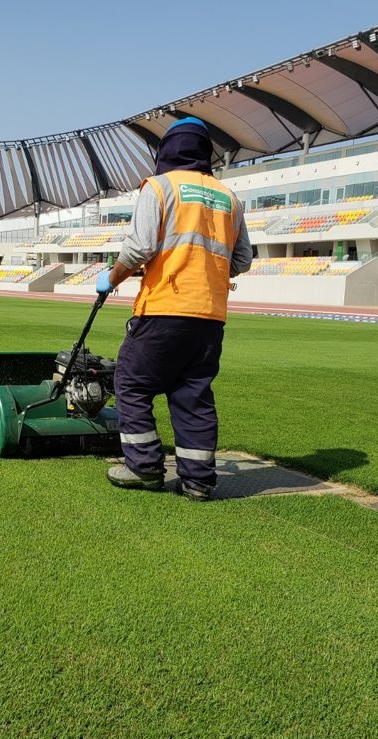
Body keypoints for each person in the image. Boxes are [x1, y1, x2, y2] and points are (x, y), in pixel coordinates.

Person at [96, 117, 252, 501]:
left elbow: (139, 247)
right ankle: (198, 481)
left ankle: (144, 467)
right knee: (192, 395)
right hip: (209, 318)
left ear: (167, 150)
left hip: (164, 309)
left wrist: (111, 278)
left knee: (131, 384)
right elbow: (242, 260)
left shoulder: (160, 187)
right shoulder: (229, 198)